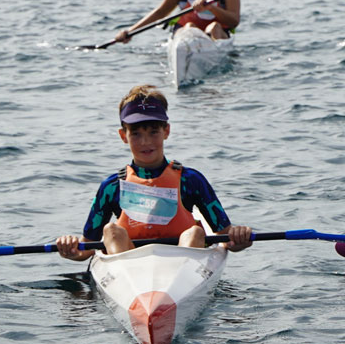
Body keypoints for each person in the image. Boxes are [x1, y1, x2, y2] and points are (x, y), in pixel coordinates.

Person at [54, 84, 252, 261]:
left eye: (153, 132)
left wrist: (239, 237)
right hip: (129, 270)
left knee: (194, 233)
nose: (145, 142)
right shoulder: (112, 187)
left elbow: (225, 237)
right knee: (111, 231)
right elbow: (86, 247)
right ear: (124, 136)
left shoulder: (191, 180)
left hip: (182, 269)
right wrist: (70, 248)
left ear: (166, 131)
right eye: (136, 134)